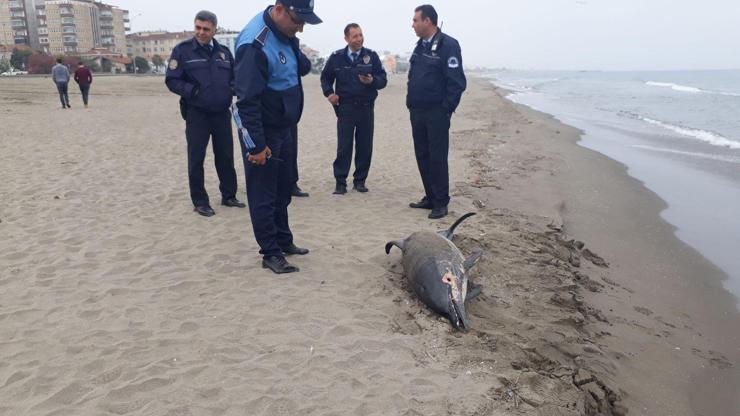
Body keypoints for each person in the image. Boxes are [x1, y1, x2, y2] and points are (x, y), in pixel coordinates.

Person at [234, 0, 321, 274]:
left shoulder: (286, 33)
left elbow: (297, 68)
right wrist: (256, 146)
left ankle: (284, 240)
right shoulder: (254, 44)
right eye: (298, 21)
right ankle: (270, 253)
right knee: (264, 194)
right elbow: (246, 101)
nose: (301, 28)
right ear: (280, 9)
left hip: (284, 125)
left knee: (284, 188)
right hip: (263, 129)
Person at [165, 10, 244, 217]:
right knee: (196, 158)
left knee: (225, 156)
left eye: (206, 29)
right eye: (198, 27)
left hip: (221, 113)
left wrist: (232, 89)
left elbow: (234, 78)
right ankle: (200, 201)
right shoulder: (182, 51)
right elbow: (172, 80)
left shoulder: (225, 53)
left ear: (214, 30)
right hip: (197, 114)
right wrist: (193, 91)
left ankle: (229, 195)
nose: (201, 32)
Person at [406, 4, 466, 219]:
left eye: (415, 20)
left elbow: (457, 82)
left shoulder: (448, 45)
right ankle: (430, 197)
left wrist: (446, 110)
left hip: (436, 113)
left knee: (437, 158)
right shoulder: (419, 46)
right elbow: (413, 76)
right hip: (417, 111)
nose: (412, 24)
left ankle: (441, 202)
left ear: (428, 21)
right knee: (422, 155)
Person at [320, 23, 387, 195]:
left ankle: (360, 181)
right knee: (344, 146)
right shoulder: (337, 57)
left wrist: (372, 81)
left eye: (360, 35)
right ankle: (340, 183)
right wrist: (329, 94)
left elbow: (383, 80)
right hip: (345, 109)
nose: (359, 39)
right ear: (347, 39)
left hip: (366, 108)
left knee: (365, 146)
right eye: (355, 36)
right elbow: (325, 77)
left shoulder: (371, 56)